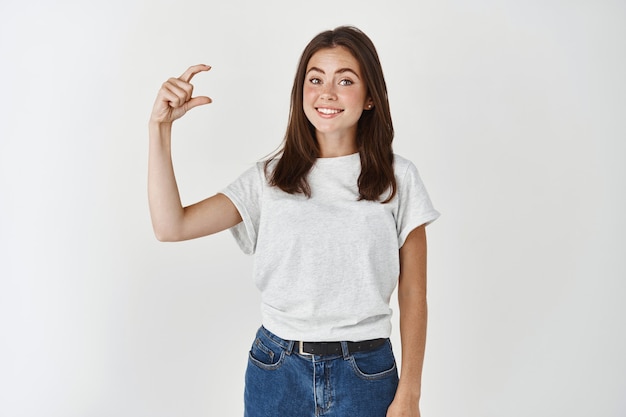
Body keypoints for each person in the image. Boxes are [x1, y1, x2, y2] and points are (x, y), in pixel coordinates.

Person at [148, 26, 439, 417]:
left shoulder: (397, 178)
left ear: (370, 97)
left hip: (366, 374)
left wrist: (411, 393)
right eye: (315, 79)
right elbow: (172, 226)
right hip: (277, 370)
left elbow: (413, 295)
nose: (327, 93)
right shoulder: (268, 179)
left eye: (345, 80)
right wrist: (160, 128)